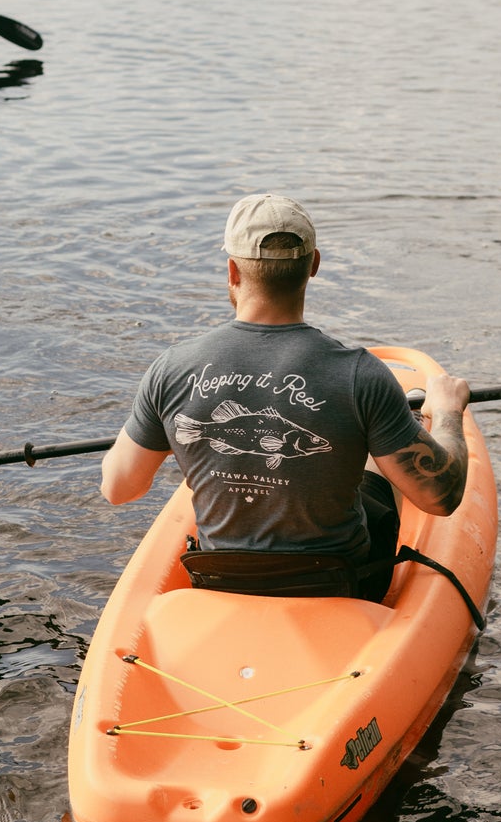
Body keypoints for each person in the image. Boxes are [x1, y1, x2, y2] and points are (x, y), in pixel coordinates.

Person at [100, 192, 471, 599]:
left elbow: (119, 489)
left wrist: (168, 430)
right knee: (377, 454)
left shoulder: (171, 369)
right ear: (313, 265)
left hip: (221, 579)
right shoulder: (362, 374)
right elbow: (441, 498)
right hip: (342, 582)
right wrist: (447, 412)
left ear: (232, 271)